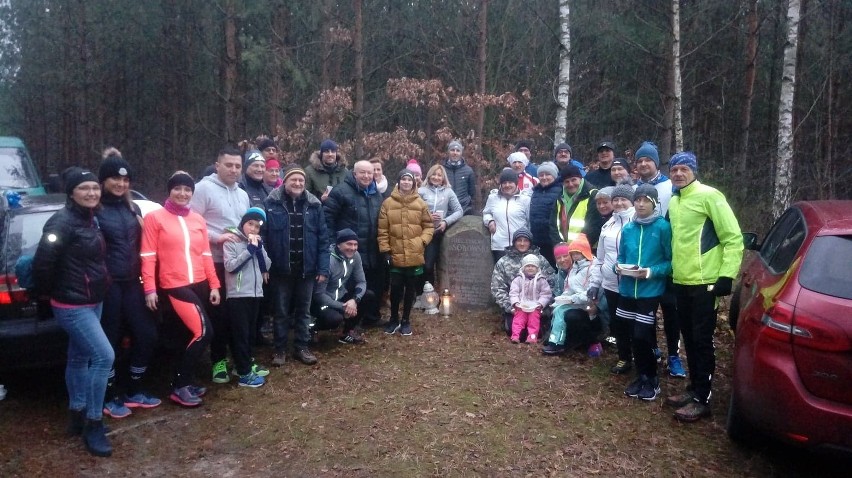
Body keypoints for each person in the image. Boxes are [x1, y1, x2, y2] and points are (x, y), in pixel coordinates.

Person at [33, 167, 114, 457]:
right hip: (71, 305)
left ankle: (76, 413)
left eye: (94, 187)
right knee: (104, 357)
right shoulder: (61, 222)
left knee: (78, 357)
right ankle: (94, 423)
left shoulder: (91, 219)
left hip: (94, 300)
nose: (92, 192)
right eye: (84, 188)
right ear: (71, 192)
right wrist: (50, 295)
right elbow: (43, 264)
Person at [665, 152, 743, 422]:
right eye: (674, 169)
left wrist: (726, 276)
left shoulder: (710, 196)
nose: (678, 174)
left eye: (684, 169)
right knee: (688, 337)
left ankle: (703, 398)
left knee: (702, 339)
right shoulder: (675, 202)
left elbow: (733, 238)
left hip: (706, 283)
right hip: (681, 280)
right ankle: (693, 388)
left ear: (694, 171)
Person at [141, 171, 220, 409]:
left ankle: (183, 381)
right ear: (169, 191)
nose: (183, 193)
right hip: (174, 284)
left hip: (199, 283)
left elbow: (206, 254)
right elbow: (147, 256)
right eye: (178, 189)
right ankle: (180, 385)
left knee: (185, 335)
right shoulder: (156, 218)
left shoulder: (197, 219)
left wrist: (214, 284)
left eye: (187, 190)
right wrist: (149, 289)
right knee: (204, 333)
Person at [96, 150, 160, 420]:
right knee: (108, 342)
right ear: (103, 181)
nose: (120, 184)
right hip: (108, 285)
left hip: (133, 282)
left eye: (125, 180)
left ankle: (134, 389)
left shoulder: (131, 208)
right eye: (114, 179)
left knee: (146, 334)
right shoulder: (94, 210)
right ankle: (109, 396)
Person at [190, 145, 250, 385]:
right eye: (229, 165)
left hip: (238, 262)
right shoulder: (203, 189)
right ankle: (218, 361)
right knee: (219, 314)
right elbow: (192, 224)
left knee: (238, 314)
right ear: (217, 165)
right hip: (213, 262)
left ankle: (242, 360)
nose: (234, 170)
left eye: (237, 166)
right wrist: (217, 238)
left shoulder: (242, 194)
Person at [264, 165, 330, 366]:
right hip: (280, 270)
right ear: (285, 181)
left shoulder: (314, 205)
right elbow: (264, 238)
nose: (298, 183)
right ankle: (280, 350)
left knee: (304, 311)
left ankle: (302, 347)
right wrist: (264, 266)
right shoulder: (271, 204)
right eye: (294, 179)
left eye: (301, 180)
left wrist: (322, 268)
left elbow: (323, 239)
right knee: (281, 311)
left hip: (306, 269)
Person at [616, 185, 672, 402]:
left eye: (645, 200)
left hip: (650, 291)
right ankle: (640, 376)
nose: (640, 204)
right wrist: (619, 268)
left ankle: (652, 379)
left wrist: (650, 272)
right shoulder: (628, 229)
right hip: (628, 290)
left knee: (642, 335)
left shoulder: (663, 227)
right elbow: (621, 257)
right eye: (637, 200)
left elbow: (670, 262)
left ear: (654, 203)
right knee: (630, 334)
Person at [633, 141, 684, 377]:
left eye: (648, 160)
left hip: (669, 259)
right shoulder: (635, 188)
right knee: (647, 311)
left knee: (671, 311)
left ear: (656, 163)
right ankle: (652, 349)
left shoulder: (671, 186)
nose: (643, 164)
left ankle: (674, 355)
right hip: (645, 262)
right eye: (640, 160)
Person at [324, 160, 385, 326]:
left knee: (370, 286)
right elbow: (328, 219)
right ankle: (348, 321)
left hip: (372, 248)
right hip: (347, 250)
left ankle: (370, 318)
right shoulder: (341, 191)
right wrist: (331, 244)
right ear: (354, 173)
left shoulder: (376, 194)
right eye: (362, 173)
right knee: (349, 287)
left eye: (369, 173)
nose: (366, 176)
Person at [378, 169, 434, 336]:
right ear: (399, 182)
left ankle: (406, 320)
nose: (406, 183)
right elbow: (382, 230)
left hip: (414, 254)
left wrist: (422, 241)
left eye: (409, 180)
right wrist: (385, 250)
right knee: (395, 288)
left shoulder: (420, 203)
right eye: (403, 179)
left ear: (414, 183)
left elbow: (429, 226)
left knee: (410, 288)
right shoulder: (387, 203)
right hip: (395, 254)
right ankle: (394, 318)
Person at [588, 184, 635, 374]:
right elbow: (599, 258)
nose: (619, 203)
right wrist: (594, 283)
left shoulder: (638, 221)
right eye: (615, 199)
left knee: (636, 323)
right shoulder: (608, 224)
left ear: (632, 201)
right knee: (618, 322)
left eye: (623, 199)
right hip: (610, 283)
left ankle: (644, 355)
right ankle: (624, 357)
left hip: (633, 283)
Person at [223, 207, 272, 388]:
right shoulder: (232, 241)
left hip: (255, 293)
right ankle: (244, 375)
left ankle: (244, 364)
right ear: (243, 223)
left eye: (257, 227)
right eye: (250, 224)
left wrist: (259, 250)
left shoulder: (258, 243)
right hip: (238, 295)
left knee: (251, 332)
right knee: (241, 334)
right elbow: (231, 266)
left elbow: (266, 265)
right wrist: (249, 250)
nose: (253, 229)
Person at [311, 228, 377, 344]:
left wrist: (354, 300)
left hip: (341, 295)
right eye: (349, 244)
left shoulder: (355, 256)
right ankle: (311, 328)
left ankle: (347, 332)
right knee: (335, 319)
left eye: (355, 244)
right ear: (339, 245)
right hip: (321, 302)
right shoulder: (328, 261)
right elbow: (319, 295)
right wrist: (343, 307)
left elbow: (362, 282)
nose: (353, 248)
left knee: (368, 295)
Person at [543, 236, 602, 356]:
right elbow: (567, 288)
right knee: (557, 310)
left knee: (569, 315)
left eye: (576, 254)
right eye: (573, 254)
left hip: (591, 309)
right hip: (575, 303)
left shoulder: (594, 267)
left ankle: (590, 341)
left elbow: (592, 293)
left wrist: (572, 299)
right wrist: (558, 302)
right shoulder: (573, 269)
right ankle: (556, 342)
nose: (574, 257)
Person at [491, 228, 555, 335]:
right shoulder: (503, 262)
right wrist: (511, 307)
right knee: (517, 332)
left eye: (525, 240)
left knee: (537, 332)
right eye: (519, 240)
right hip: (515, 308)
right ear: (514, 242)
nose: (522, 243)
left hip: (537, 308)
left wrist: (542, 307)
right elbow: (497, 288)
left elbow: (551, 285)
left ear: (530, 242)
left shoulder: (541, 260)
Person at [415, 164, 463, 306]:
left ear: (443, 178)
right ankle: (419, 296)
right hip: (420, 232)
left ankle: (430, 296)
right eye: (434, 175)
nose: (436, 177)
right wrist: (427, 216)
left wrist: (446, 222)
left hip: (437, 233)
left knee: (430, 266)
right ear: (429, 176)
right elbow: (412, 210)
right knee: (420, 265)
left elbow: (459, 211)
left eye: (439, 175)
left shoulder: (448, 192)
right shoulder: (421, 191)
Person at [549, 164, 605, 249]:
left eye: (573, 180)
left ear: (581, 179)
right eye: (567, 182)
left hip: (586, 250)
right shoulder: (560, 197)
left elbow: (593, 227)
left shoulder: (593, 195)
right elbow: (553, 225)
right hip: (563, 251)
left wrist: (576, 248)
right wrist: (560, 245)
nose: (570, 184)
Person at [482, 168, 531, 263]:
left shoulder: (525, 199)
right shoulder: (493, 198)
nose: (507, 185)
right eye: (504, 183)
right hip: (499, 246)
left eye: (510, 182)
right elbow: (486, 213)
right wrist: (490, 221)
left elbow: (530, 222)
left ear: (516, 183)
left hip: (520, 246)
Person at [508, 254, 552, 344]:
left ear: (537, 268)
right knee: (518, 320)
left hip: (535, 306)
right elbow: (513, 292)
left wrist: (540, 304)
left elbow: (546, 294)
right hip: (521, 305)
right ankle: (516, 336)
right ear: (523, 267)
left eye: (533, 266)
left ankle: (532, 337)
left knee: (534, 322)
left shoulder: (542, 280)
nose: (530, 268)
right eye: (528, 266)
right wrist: (515, 303)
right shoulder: (518, 280)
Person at [529, 161, 562, 267]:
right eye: (541, 175)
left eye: (547, 174)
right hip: (537, 240)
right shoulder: (535, 192)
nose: (544, 177)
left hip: (553, 240)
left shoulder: (560, 191)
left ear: (554, 176)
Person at [442, 140, 477, 215]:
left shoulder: (468, 171)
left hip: (464, 210)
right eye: (452, 150)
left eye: (458, 150)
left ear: (461, 153)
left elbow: (472, 193)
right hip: (445, 210)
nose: (455, 153)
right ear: (448, 152)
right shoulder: (441, 169)